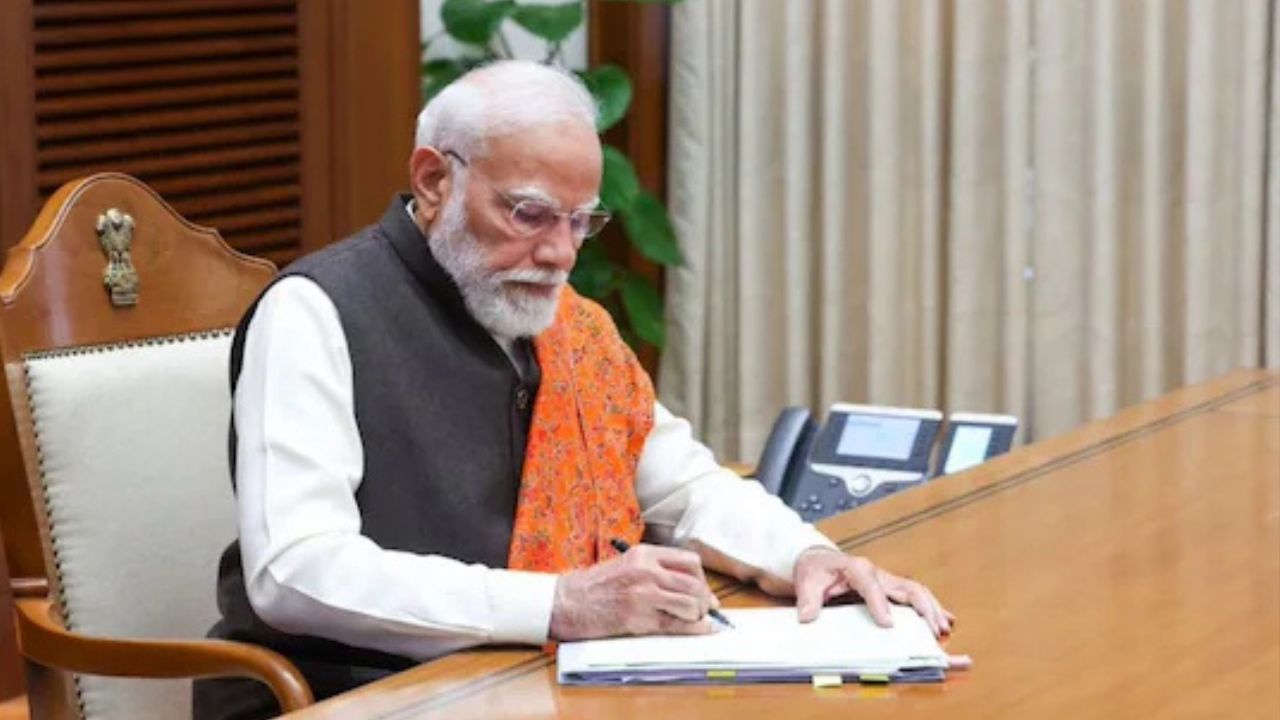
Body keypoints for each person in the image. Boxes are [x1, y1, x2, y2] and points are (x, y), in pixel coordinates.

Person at [193, 60, 952, 720]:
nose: (558, 254)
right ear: (434, 180)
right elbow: (293, 571)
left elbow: (682, 487)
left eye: (580, 222)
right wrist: (560, 605)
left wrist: (803, 554)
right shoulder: (317, 311)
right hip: (354, 692)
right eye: (527, 214)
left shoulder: (568, 325)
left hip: (531, 678)